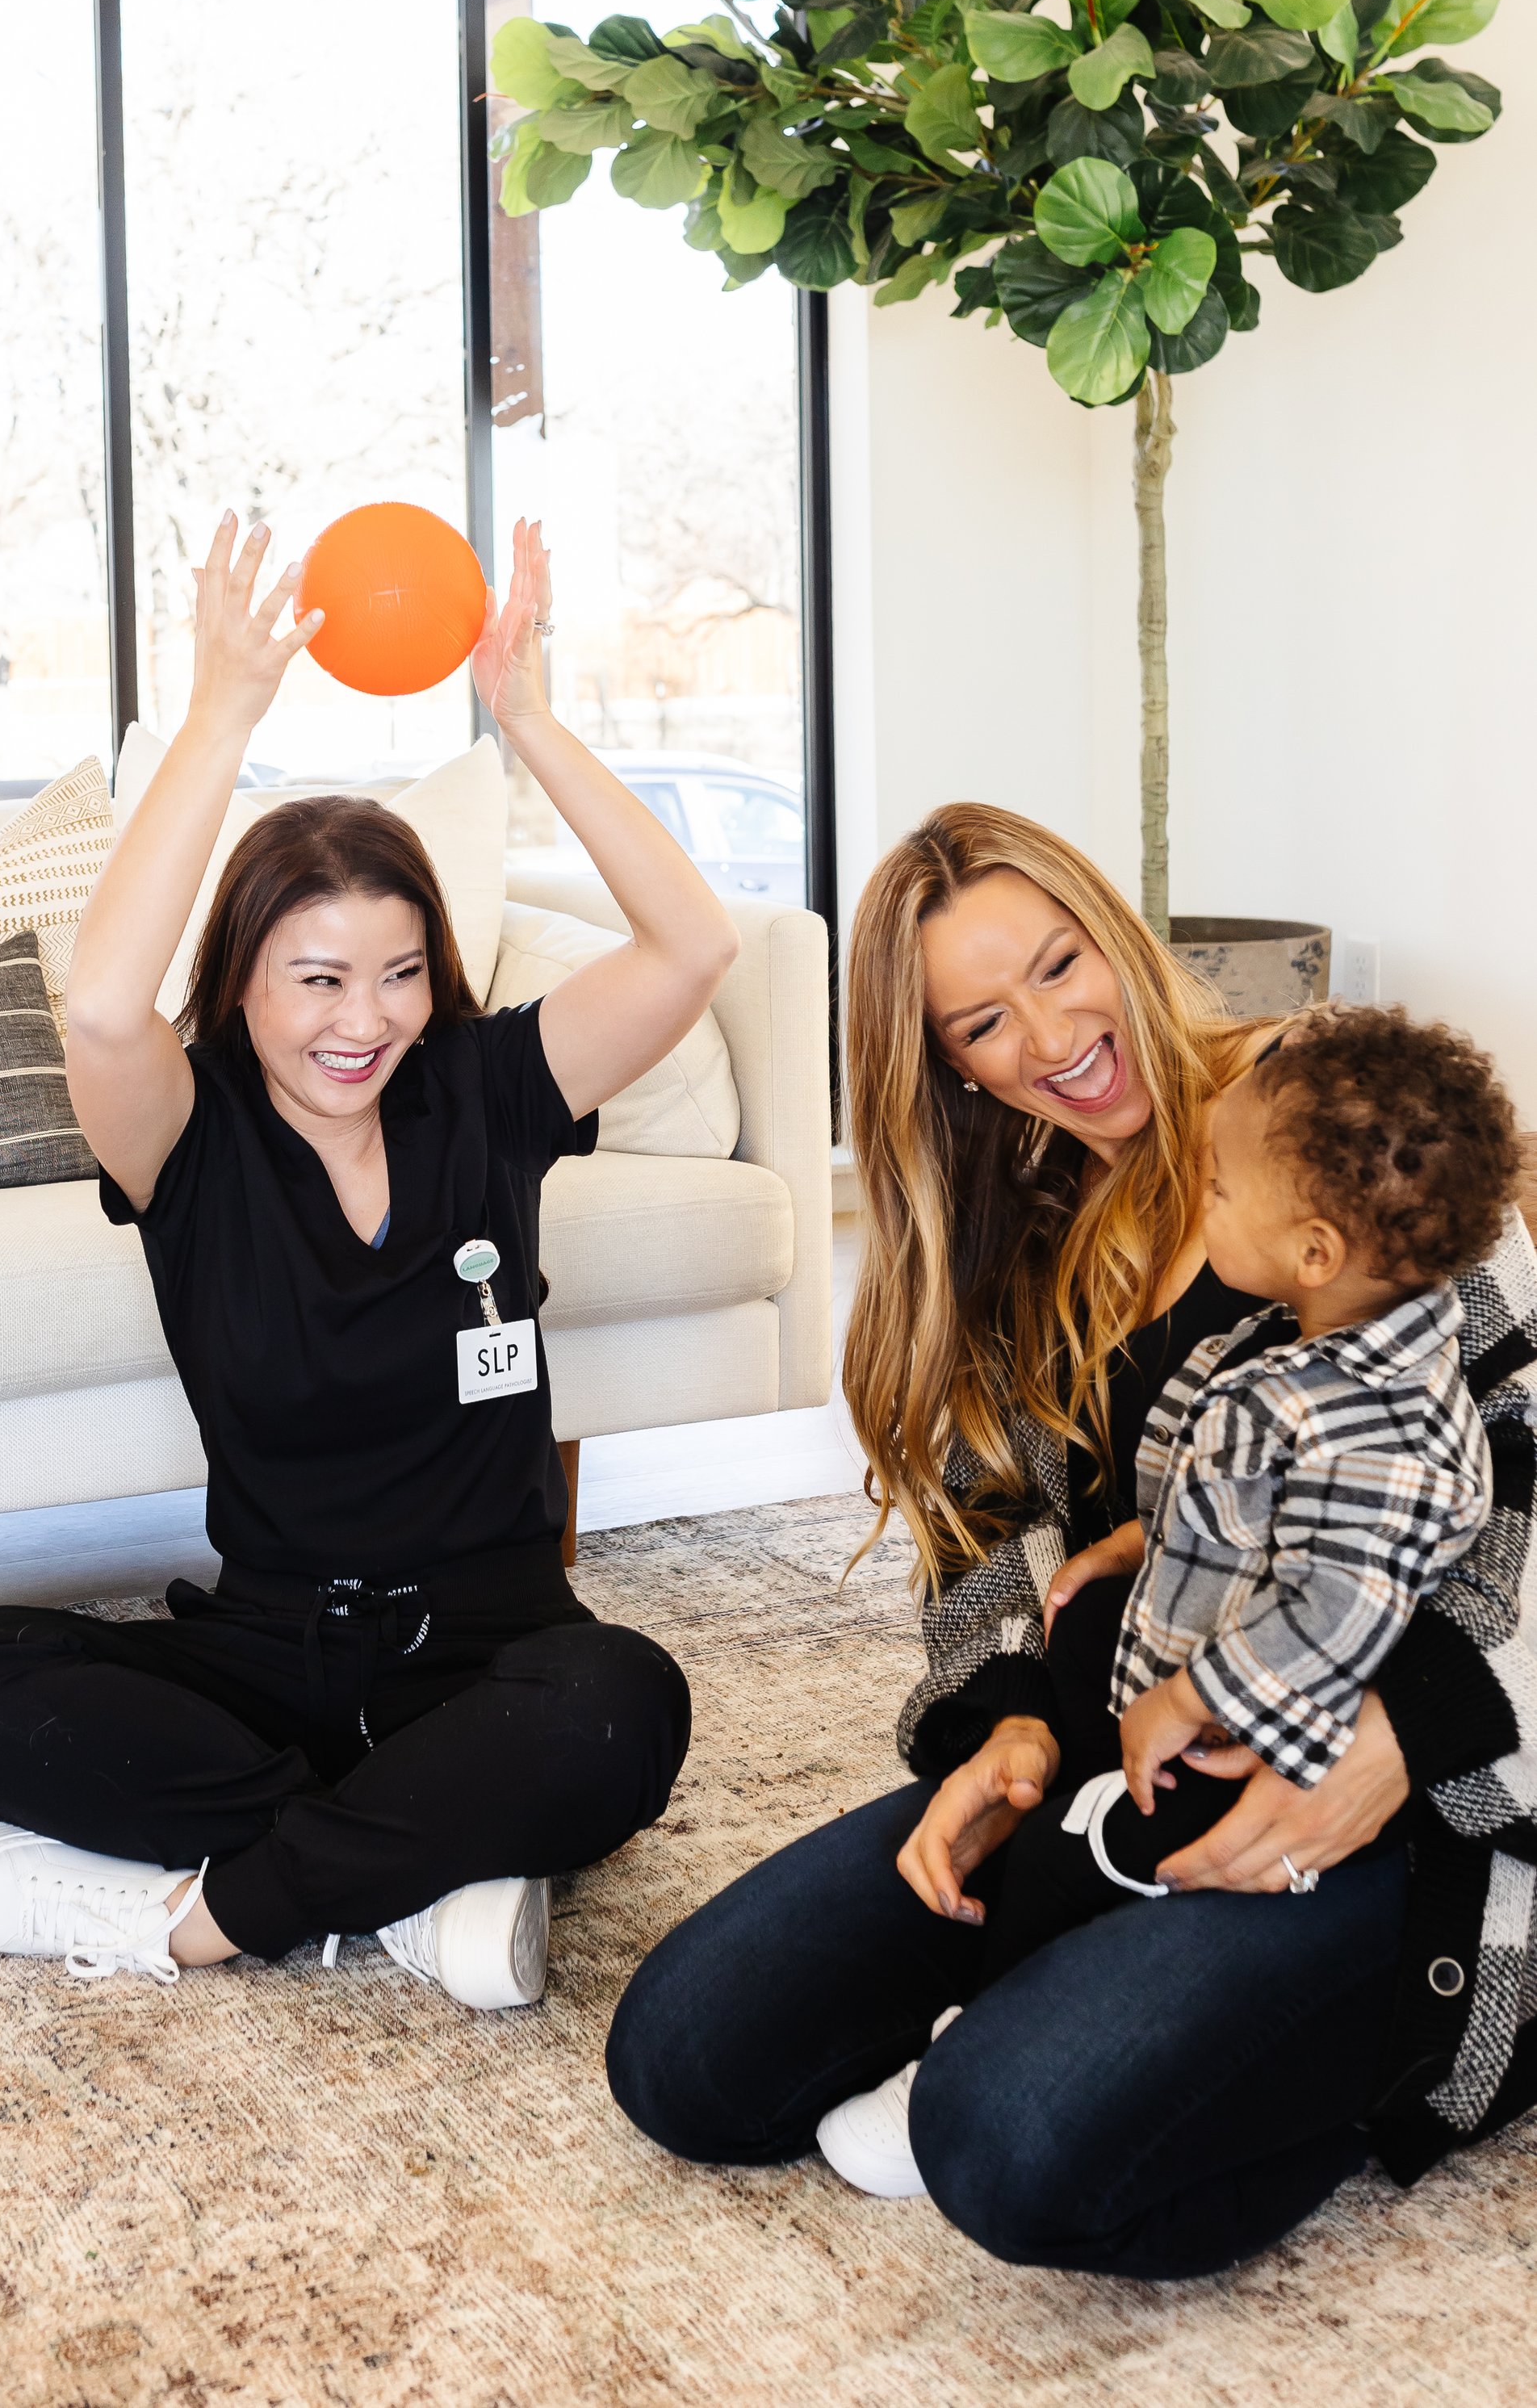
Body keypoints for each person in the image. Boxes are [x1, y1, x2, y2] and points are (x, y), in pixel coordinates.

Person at [605, 804, 1537, 2276]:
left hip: (1391, 1795)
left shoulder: (1335, 1127)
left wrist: (1404, 1732)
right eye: (983, 1020)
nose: (1050, 1037)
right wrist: (1012, 1725)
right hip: (1119, 1756)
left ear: (1114, 932)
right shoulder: (1005, 1224)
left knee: (1001, 2137)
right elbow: (986, 1540)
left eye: (1058, 963)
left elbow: (1510, 1471)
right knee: (688, 2057)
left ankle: (1429, 2044)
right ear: (946, 1062)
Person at [0, 513, 735, 2011]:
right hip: (269, 1650)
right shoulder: (187, 1134)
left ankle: (217, 1908)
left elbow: (690, 946)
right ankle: (412, 1881)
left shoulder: (488, 1087)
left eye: (400, 973)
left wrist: (529, 721)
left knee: (624, 1705)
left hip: (488, 1648)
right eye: (320, 978)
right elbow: (103, 1009)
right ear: (242, 982)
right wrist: (221, 715)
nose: (367, 1019)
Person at [818, 999, 1513, 2197]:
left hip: (1253, 1742)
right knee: (699, 2054)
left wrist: (1191, 1699)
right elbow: (1250, 1497)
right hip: (1165, 1656)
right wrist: (1144, 1539)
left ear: (1315, 1250)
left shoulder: (1388, 1417)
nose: (1204, 1200)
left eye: (1222, 1192)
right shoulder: (1301, 1344)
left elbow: (1331, 1609)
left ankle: (973, 2038)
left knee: (1067, 1873)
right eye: (982, 1021)